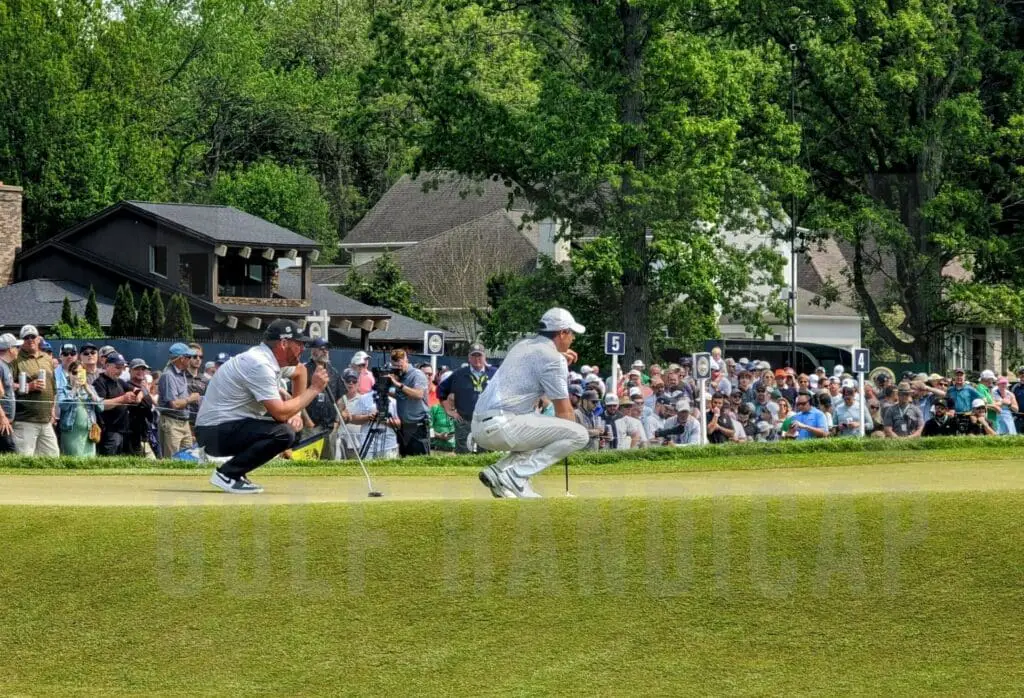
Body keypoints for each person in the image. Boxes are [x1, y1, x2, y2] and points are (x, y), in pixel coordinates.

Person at [196, 319, 329, 494]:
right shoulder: (260, 364)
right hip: (213, 433)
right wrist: (314, 389)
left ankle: (235, 473)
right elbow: (280, 414)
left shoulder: (270, 359)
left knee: (285, 430)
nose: (302, 349)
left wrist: (295, 414)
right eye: (299, 344)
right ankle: (227, 474)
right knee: (283, 433)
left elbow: (300, 372)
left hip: (223, 427)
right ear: (283, 343)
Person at [473, 307, 589, 498]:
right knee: (579, 435)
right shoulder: (553, 359)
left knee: (540, 426)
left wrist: (559, 359)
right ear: (562, 333)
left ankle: (498, 472)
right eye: (571, 333)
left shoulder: (523, 345)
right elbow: (564, 411)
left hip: (481, 426)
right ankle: (517, 476)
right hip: (503, 425)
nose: (573, 339)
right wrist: (565, 439)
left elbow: (536, 366)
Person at [437, 343, 497, 453]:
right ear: (469, 357)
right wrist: (449, 411)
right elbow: (441, 390)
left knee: (486, 453)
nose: (477, 359)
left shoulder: (494, 373)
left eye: (479, 355)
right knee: (463, 453)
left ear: (485, 357)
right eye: (474, 356)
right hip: (464, 420)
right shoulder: (459, 374)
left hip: (487, 420)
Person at [11, 325, 60, 456]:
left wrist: (52, 410)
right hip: (25, 420)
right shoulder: (15, 359)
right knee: (25, 460)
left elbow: (53, 387)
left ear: (39, 339)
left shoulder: (47, 358)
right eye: (26, 337)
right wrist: (28, 387)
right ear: (22, 341)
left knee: (53, 457)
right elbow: (6, 385)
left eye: (33, 336)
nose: (30, 340)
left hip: (46, 420)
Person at [92, 353, 142, 455]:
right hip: (109, 432)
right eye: (117, 367)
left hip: (124, 430)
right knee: (108, 463)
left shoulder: (120, 381)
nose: (120, 371)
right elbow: (101, 405)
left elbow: (138, 390)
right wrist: (123, 399)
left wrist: (137, 398)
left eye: (122, 368)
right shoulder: (99, 382)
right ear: (107, 366)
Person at [157, 343, 202, 457]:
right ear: (182, 359)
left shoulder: (182, 373)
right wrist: (190, 399)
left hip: (184, 422)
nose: (191, 359)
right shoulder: (168, 376)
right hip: (172, 423)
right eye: (189, 357)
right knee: (171, 459)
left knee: (188, 457)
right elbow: (174, 404)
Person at [305, 337, 345, 459]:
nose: (325, 352)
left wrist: (337, 421)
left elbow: (340, 398)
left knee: (329, 460)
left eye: (327, 349)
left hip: (330, 426)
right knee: (310, 461)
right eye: (322, 349)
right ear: (313, 351)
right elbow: (295, 396)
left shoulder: (333, 372)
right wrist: (307, 422)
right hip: (311, 426)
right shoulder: (304, 370)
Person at [388, 349, 431, 456]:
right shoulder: (399, 376)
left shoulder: (417, 374)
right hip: (404, 426)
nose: (397, 368)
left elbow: (418, 394)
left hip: (417, 425)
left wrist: (399, 385)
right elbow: (400, 396)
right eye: (394, 365)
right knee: (405, 458)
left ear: (406, 359)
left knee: (419, 459)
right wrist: (386, 388)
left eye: (399, 364)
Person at [57, 360, 103, 457]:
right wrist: (74, 389)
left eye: (81, 372)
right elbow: (63, 406)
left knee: (89, 462)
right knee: (72, 460)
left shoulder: (90, 388)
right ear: (69, 373)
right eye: (74, 372)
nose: (77, 375)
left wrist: (88, 390)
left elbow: (100, 407)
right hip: (70, 431)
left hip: (88, 432)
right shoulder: (63, 389)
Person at [0, 333, 21, 454]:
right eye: (16, 347)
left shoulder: (6, 366)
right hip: (2, 421)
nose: (18, 350)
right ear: (10, 349)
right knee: (11, 452)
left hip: (6, 420)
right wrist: (2, 417)